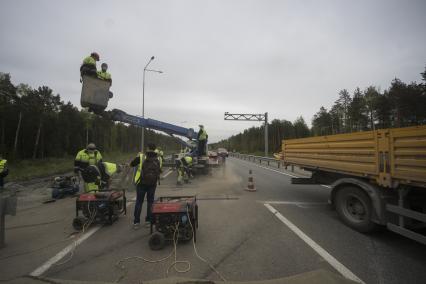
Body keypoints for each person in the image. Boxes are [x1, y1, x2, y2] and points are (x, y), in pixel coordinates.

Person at [130, 143, 161, 229]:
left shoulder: (141, 157)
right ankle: (148, 221)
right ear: (155, 149)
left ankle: (136, 222)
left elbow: (132, 164)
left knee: (139, 202)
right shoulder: (158, 158)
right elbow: (159, 170)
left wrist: (137, 156)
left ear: (147, 148)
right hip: (152, 184)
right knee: (150, 202)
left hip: (141, 183)